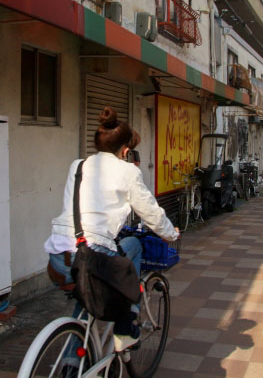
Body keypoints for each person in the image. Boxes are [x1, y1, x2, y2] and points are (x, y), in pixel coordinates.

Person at [44, 106, 179, 353]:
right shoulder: (128, 171)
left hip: (59, 259)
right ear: (125, 151)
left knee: (87, 293)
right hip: (92, 255)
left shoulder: (78, 166)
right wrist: (171, 233)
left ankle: (72, 363)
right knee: (133, 245)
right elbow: (150, 212)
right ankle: (126, 325)